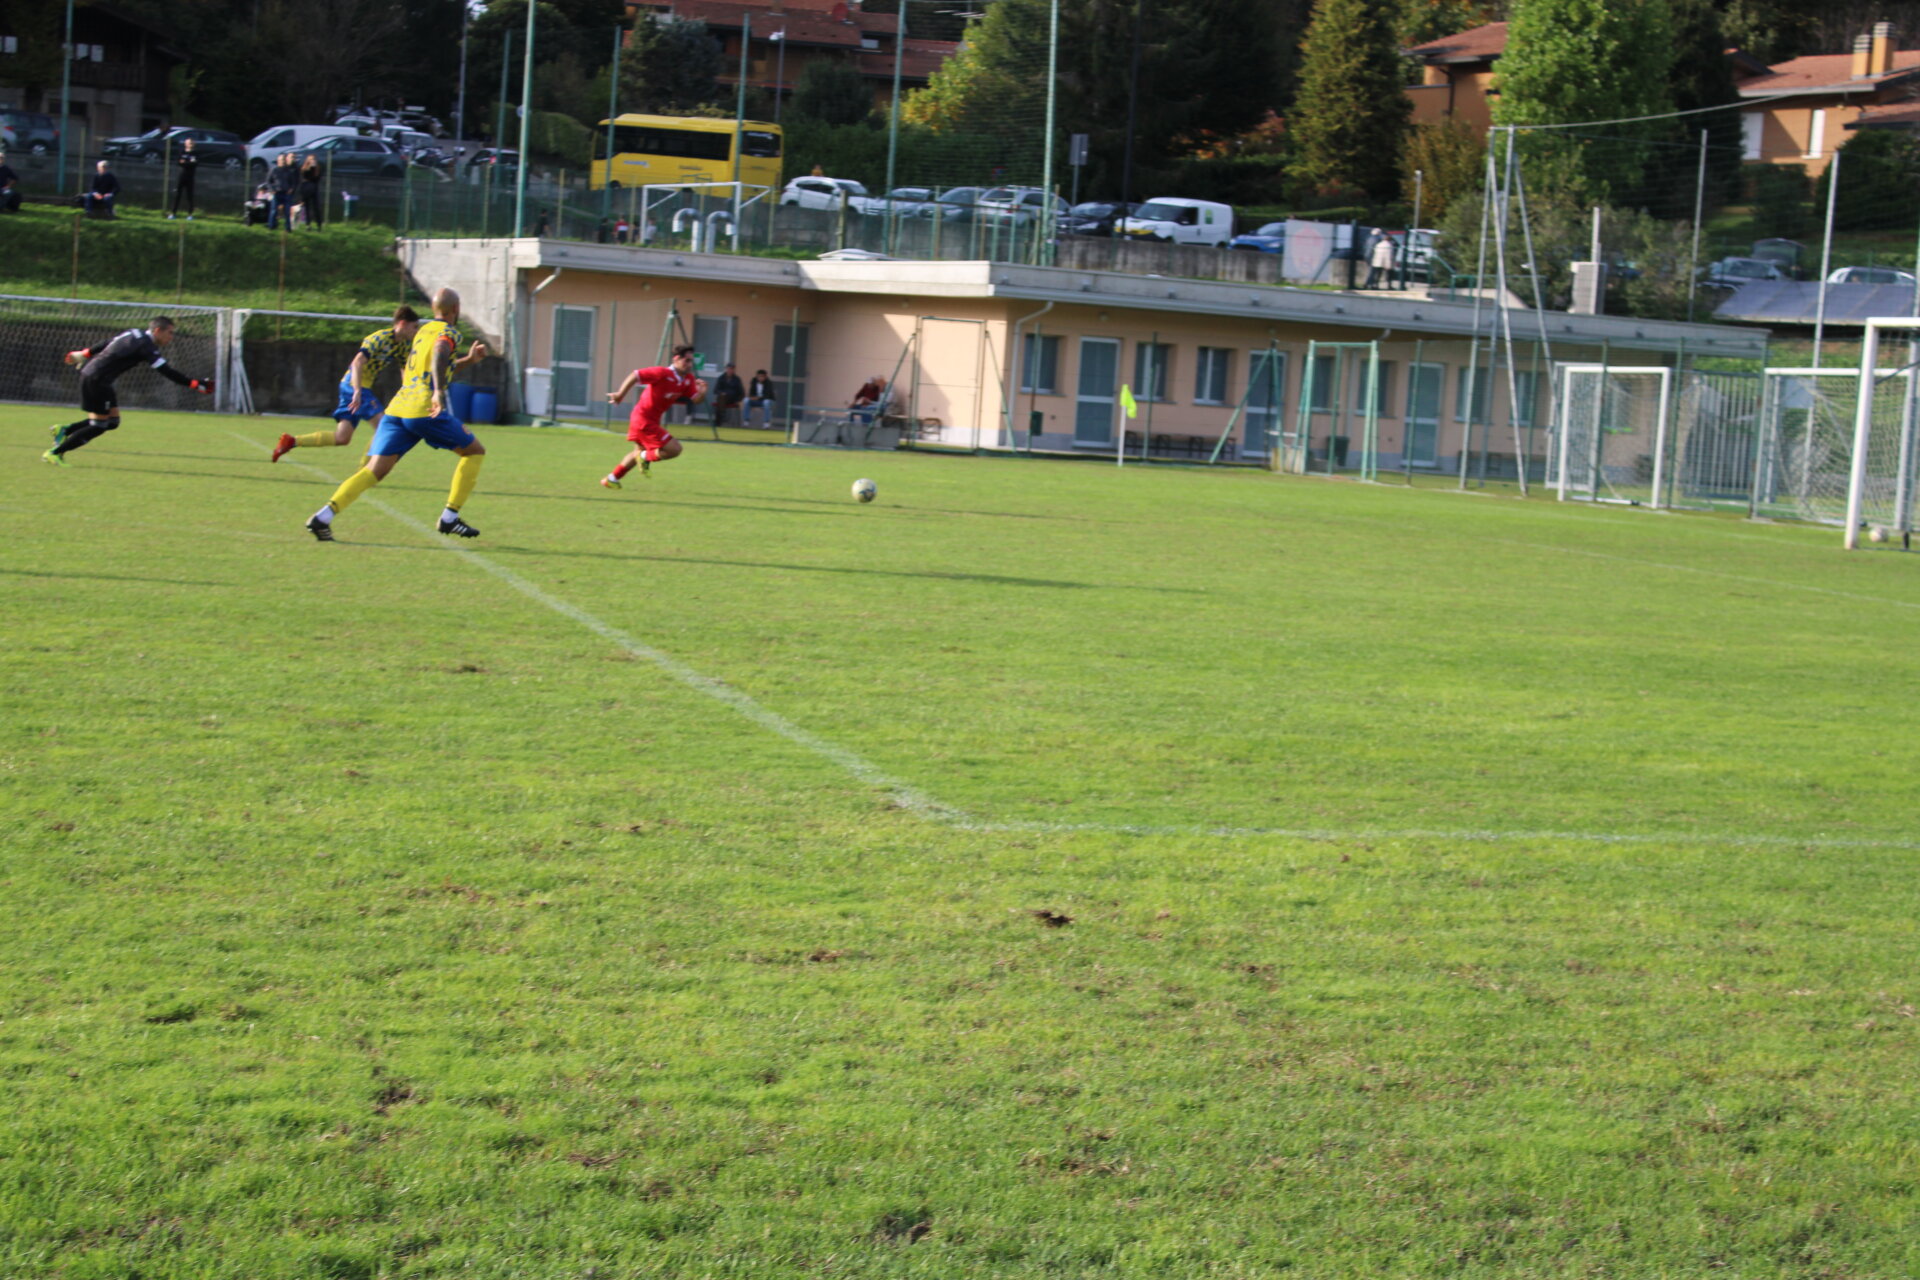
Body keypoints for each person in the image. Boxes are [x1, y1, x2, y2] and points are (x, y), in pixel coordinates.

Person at [304, 287, 489, 541]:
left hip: (397, 408)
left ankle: (322, 517)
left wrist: (468, 360)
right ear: (456, 309)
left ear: (434, 309)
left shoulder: (422, 331)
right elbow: (439, 354)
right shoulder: (448, 333)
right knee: (474, 451)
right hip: (423, 408)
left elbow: (436, 364)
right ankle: (450, 517)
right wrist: (437, 392)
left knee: (373, 470)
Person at [42, 317, 215, 466]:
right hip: (96, 380)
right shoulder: (146, 347)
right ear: (157, 330)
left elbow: (108, 342)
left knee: (112, 422)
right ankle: (55, 453)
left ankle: (64, 430)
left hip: (99, 378)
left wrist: (85, 353)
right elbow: (166, 371)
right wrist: (195, 384)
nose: (171, 337)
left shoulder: (134, 333)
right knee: (99, 425)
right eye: (169, 333)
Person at [271, 305, 420, 461]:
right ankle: (365, 471)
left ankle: (292, 441)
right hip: (354, 386)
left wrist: (408, 392)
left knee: (342, 437)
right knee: (383, 425)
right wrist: (357, 390)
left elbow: (404, 370)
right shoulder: (379, 338)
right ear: (402, 324)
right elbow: (357, 363)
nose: (416, 331)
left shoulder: (403, 346)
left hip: (357, 388)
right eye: (414, 327)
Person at [600, 344, 704, 488]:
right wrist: (620, 394)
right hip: (643, 419)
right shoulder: (662, 373)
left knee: (638, 452)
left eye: (691, 361)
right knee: (674, 449)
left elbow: (696, 399)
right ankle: (643, 458)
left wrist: (703, 392)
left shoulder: (688, 379)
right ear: (676, 359)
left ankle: (612, 479)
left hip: (650, 420)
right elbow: (635, 375)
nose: (690, 364)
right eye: (687, 360)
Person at [168, 137, 198, 220]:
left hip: (190, 177)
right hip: (181, 176)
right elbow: (179, 162)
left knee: (189, 196)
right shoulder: (182, 152)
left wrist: (185, 162)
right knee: (177, 194)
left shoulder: (195, 153)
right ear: (185, 144)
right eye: (189, 142)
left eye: (192, 143)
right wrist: (188, 162)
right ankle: (173, 213)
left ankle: (190, 215)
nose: (190, 144)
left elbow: (194, 163)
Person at [710, 362, 744, 427]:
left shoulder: (737, 379)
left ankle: (718, 421)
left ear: (734, 370)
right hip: (722, 398)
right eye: (728, 369)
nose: (730, 370)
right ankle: (722, 416)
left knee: (720, 401)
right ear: (726, 369)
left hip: (732, 399)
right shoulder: (721, 378)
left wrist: (737, 400)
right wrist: (721, 393)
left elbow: (741, 392)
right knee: (721, 397)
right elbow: (716, 390)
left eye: (731, 369)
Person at [268, 153, 297, 230]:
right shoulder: (274, 170)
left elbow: (293, 182)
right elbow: (268, 181)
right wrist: (272, 190)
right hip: (276, 193)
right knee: (274, 211)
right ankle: (271, 226)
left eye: (284, 160)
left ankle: (288, 228)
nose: (283, 161)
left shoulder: (289, 171)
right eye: (281, 160)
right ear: (278, 161)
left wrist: (291, 189)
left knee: (287, 212)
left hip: (286, 193)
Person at [296, 155, 323, 229]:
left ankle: (319, 224)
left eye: (313, 159)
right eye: (310, 159)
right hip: (306, 190)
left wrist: (314, 168)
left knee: (316, 207)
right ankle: (308, 224)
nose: (312, 161)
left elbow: (316, 179)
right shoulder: (304, 169)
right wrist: (310, 168)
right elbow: (305, 177)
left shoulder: (317, 169)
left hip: (314, 189)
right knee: (307, 207)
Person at [0, 149, 21, 214]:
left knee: (8, 193)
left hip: (3, 188)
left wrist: (8, 186)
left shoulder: (6, 169)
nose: (1, 159)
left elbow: (15, 178)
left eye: (2, 158)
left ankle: (1, 207)